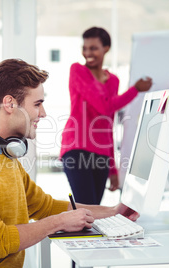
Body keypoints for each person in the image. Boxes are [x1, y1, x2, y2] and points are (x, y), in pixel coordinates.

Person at [0, 58, 139, 268]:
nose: (43, 113)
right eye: (37, 104)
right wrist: (59, 222)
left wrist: (113, 212)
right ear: (9, 103)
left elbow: (45, 206)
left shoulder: (5, 156)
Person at [59, 27, 153, 205]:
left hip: (101, 152)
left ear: (106, 48)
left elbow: (106, 122)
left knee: (94, 210)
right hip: (77, 148)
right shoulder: (78, 71)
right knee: (87, 209)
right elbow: (103, 106)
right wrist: (135, 90)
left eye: (93, 48)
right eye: (85, 48)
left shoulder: (113, 80)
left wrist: (113, 169)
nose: (88, 53)